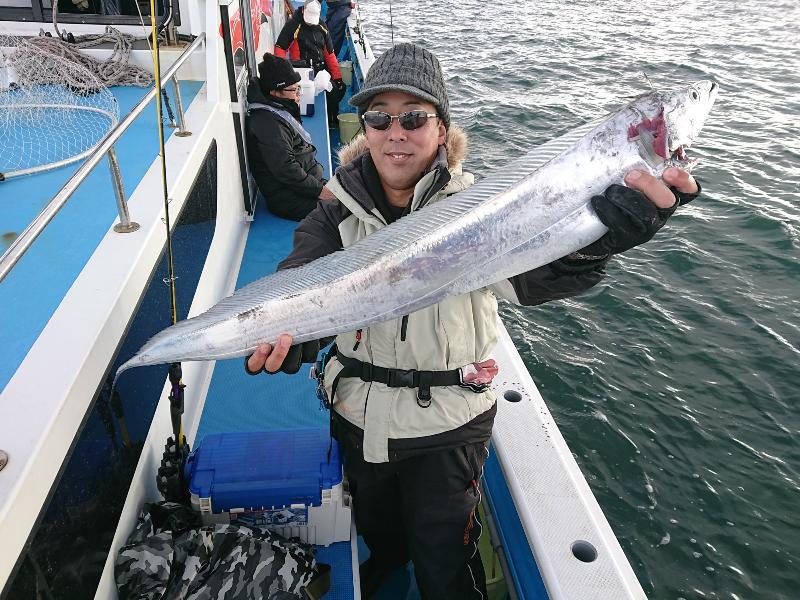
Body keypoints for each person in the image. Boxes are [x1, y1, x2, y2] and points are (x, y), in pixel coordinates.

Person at [245, 43, 701, 599]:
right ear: (364, 129)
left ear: (441, 129)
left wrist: (594, 245)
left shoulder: (482, 209)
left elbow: (535, 278)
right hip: (357, 417)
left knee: (446, 566)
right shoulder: (335, 207)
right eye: (379, 118)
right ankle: (389, 563)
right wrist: (291, 336)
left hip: (447, 430)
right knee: (379, 531)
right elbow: (302, 275)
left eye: (414, 118)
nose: (395, 133)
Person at [245, 53, 336, 221]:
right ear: (275, 92)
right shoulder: (268, 124)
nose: (299, 94)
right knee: (347, 211)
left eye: (298, 88)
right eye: (294, 90)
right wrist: (319, 191)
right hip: (288, 198)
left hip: (304, 187)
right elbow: (285, 169)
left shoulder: (277, 109)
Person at [274, 0, 347, 126]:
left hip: (319, 70)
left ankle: (332, 120)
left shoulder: (322, 27)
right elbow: (280, 48)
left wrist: (338, 78)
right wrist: (284, 73)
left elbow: (330, 55)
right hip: (300, 70)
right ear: (303, 11)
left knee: (337, 89)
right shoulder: (293, 25)